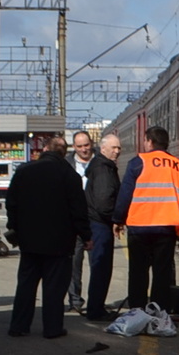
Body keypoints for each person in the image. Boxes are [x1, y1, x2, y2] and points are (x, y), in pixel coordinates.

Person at [4, 134, 91, 338]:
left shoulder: (24, 171)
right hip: (59, 243)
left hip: (29, 241)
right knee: (54, 288)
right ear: (64, 153)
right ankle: (52, 329)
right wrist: (86, 235)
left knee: (26, 284)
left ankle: (18, 326)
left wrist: (14, 227)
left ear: (44, 150)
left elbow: (11, 203)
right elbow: (78, 210)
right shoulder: (70, 175)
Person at [114, 125, 179, 313]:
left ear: (149, 141)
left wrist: (118, 219)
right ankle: (158, 312)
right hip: (166, 228)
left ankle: (137, 311)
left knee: (138, 272)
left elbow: (125, 195)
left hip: (139, 228)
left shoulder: (137, 162)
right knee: (162, 273)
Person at [82, 132, 123, 322]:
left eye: (119, 148)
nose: (117, 151)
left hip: (98, 223)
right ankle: (95, 310)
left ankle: (96, 307)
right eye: (114, 148)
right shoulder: (104, 170)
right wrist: (116, 219)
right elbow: (104, 201)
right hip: (100, 225)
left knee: (101, 268)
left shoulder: (102, 167)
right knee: (101, 268)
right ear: (103, 148)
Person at [65, 130, 97, 313]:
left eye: (86, 145)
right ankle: (75, 301)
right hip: (75, 220)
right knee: (74, 264)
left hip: (95, 219)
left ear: (91, 143)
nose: (84, 149)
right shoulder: (67, 164)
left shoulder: (100, 162)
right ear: (73, 147)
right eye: (80, 146)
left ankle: (95, 301)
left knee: (97, 263)